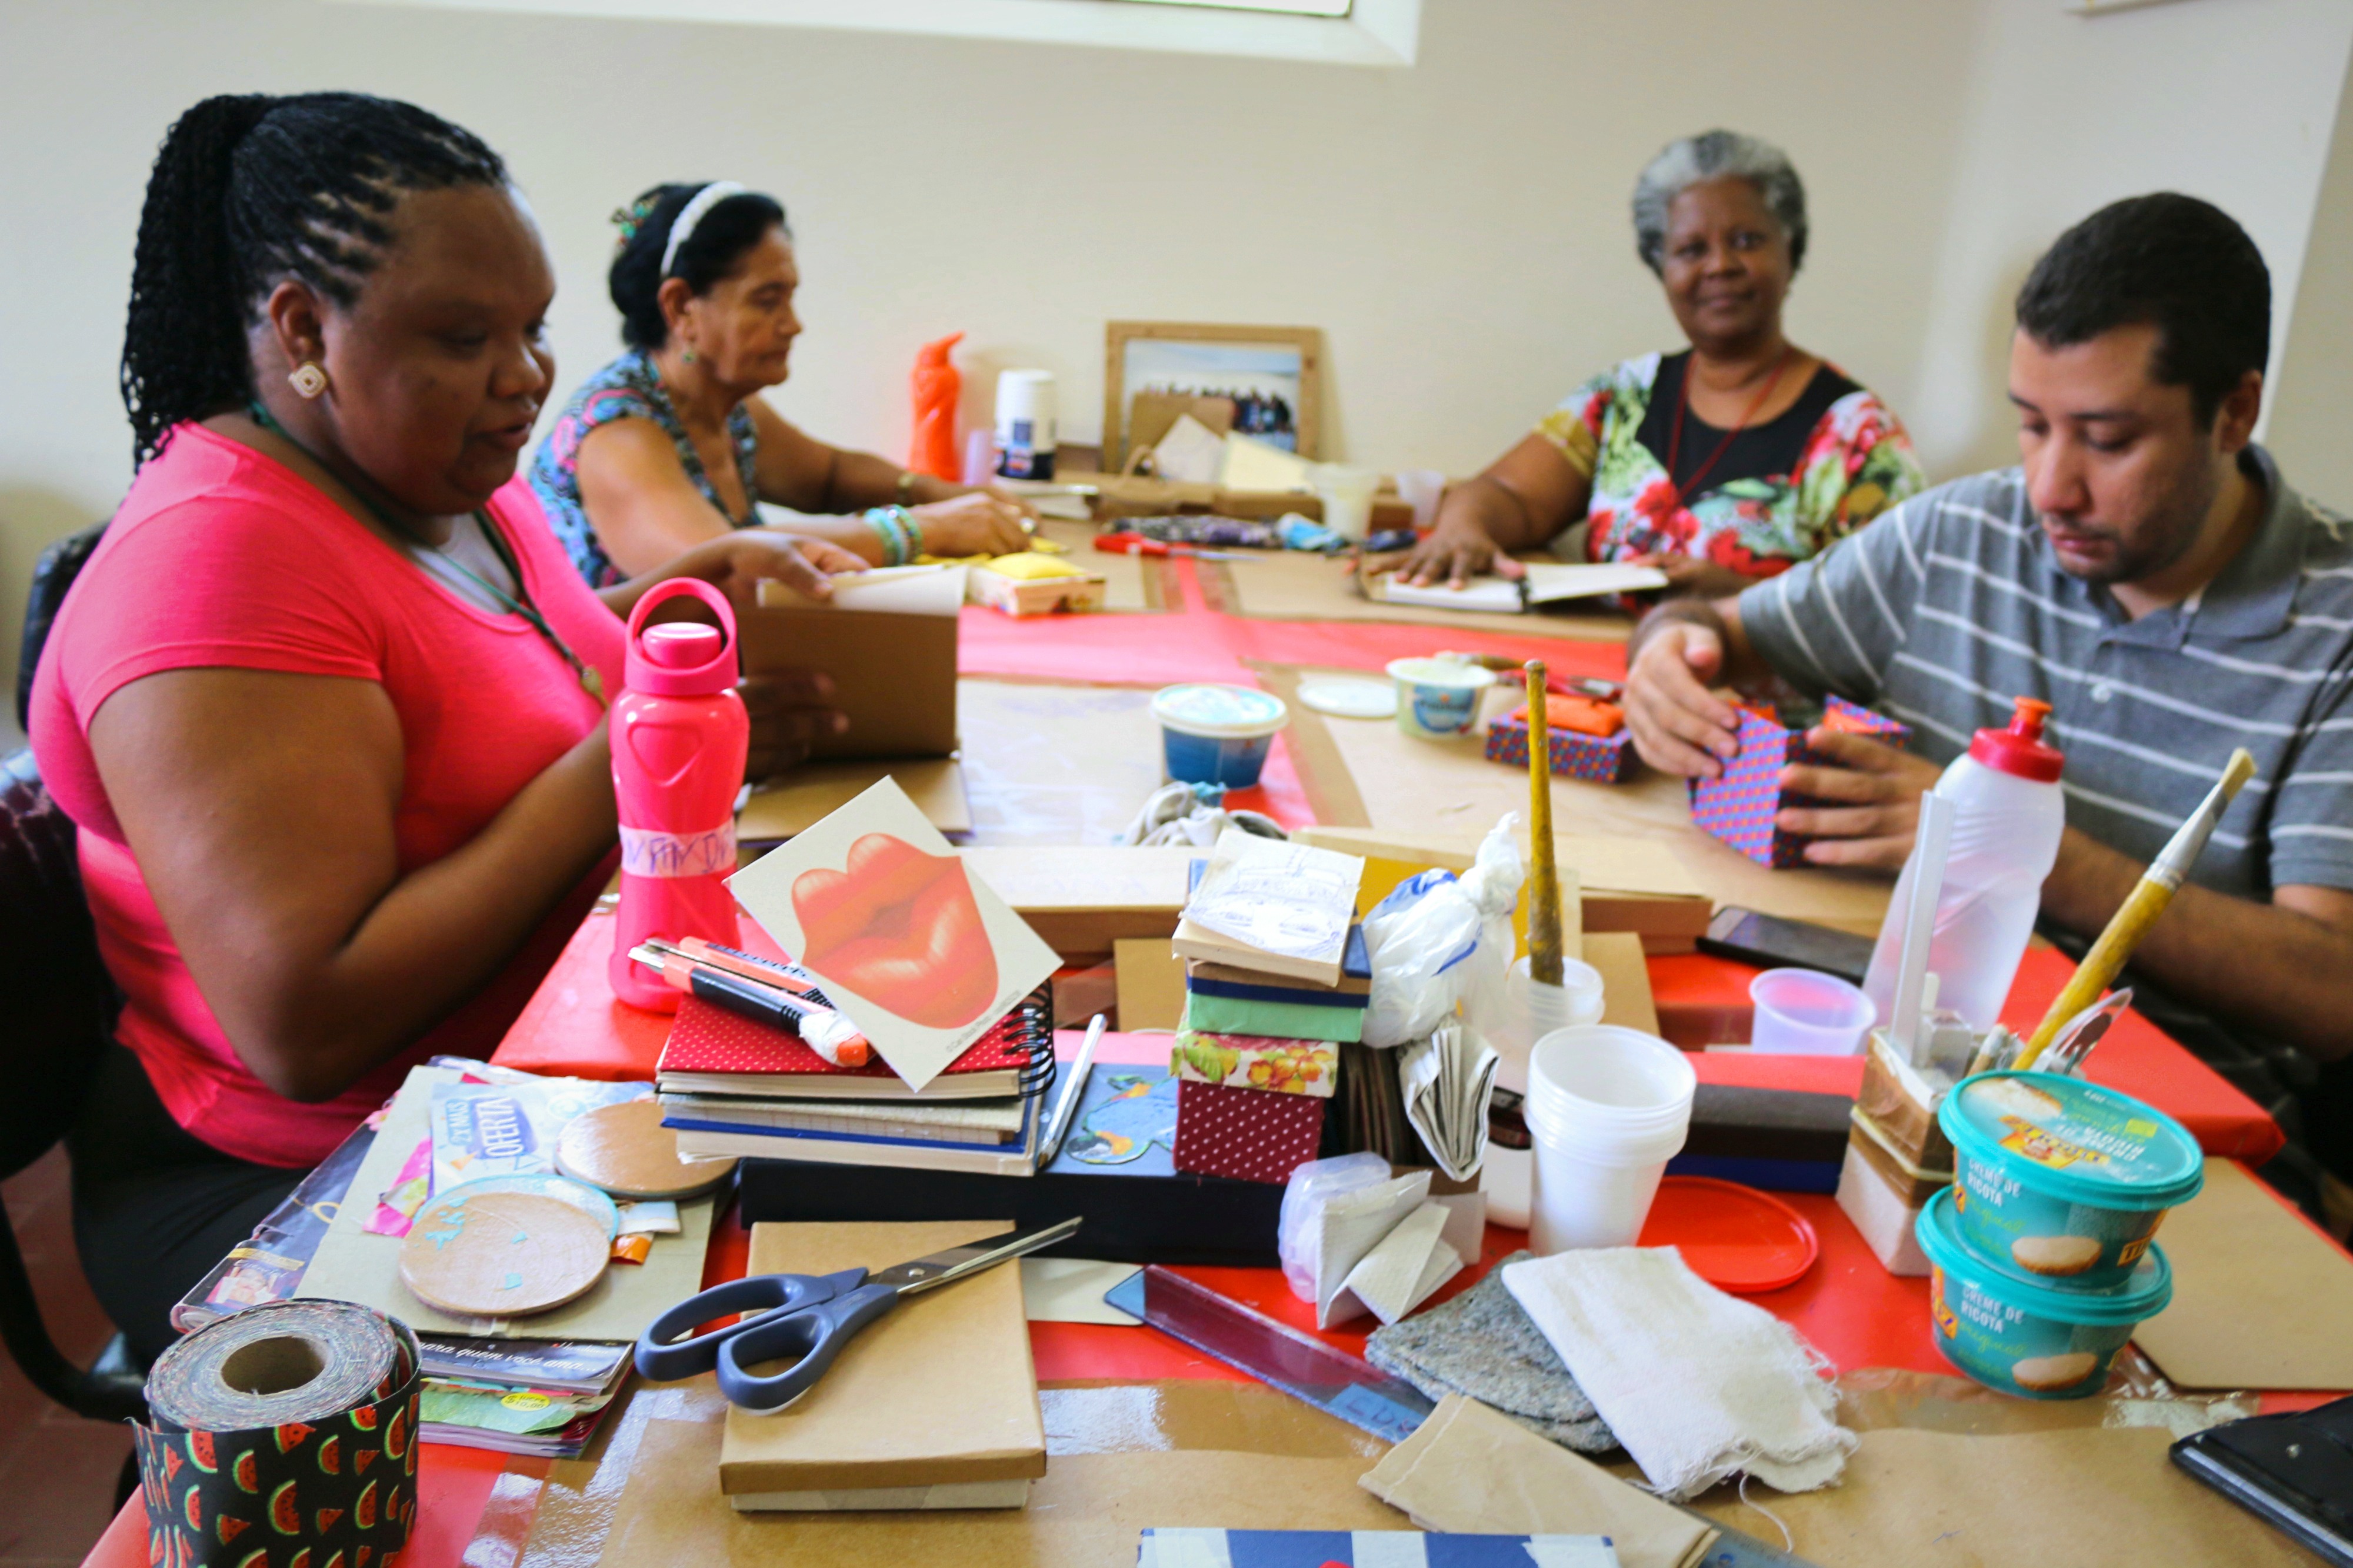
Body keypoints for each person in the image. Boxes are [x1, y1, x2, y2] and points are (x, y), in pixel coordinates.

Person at [29, 94, 861, 1357]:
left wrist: (687, 612)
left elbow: (508, 667)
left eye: (532, 330)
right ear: (305, 328)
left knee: (909, 1147)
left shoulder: (446, 489)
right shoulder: (213, 568)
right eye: (467, 335)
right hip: (302, 1170)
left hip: (532, 1064)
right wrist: (633, 746)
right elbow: (305, 1024)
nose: (526, 377)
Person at [1621, 193, 2353, 1217]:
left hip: (2157, 1157)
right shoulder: (1961, 533)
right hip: (1886, 1076)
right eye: (2032, 423)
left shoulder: (2336, 631)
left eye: (2106, 438)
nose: (2050, 486)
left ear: (2233, 412)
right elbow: (1723, 626)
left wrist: (2012, 850)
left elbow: (2334, 993)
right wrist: (1668, 654)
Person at [1397, 130, 1924, 596]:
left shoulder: (1861, 439)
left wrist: (1745, 605)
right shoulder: (1624, 397)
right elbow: (1508, 493)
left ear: (1792, 251)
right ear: (1662, 267)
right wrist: (1462, 528)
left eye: (1747, 241)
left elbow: (1883, 624)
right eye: (1691, 249)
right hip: (1594, 687)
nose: (1720, 266)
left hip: (1754, 706)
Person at [532, 181, 1036, 587]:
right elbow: (716, 566)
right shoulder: (618, 434)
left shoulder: (731, 410)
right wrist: (926, 527)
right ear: (682, 306)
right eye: (767, 300)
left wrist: (941, 493)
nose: (793, 324)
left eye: (790, 298)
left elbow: (829, 478)